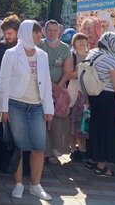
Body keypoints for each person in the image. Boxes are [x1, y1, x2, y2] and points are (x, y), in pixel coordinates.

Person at [0, 20, 53, 201]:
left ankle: (36, 184)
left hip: (37, 105)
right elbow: (3, 82)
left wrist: (49, 108)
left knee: (39, 147)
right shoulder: (11, 53)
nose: (40, 35)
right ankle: (19, 183)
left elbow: (46, 83)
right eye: (36, 32)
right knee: (20, 147)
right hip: (16, 104)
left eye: (39, 32)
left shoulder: (42, 55)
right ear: (27, 33)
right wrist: (3, 108)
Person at [84, 32, 115, 177]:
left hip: (94, 95)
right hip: (108, 98)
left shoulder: (92, 53)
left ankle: (91, 159)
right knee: (106, 131)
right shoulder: (111, 60)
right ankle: (101, 166)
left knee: (95, 128)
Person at [37, 20, 73, 165]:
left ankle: (53, 151)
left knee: (56, 121)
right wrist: (50, 85)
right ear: (45, 31)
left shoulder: (65, 48)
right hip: (41, 87)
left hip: (58, 89)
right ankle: (42, 150)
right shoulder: (40, 45)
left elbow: (68, 70)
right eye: (49, 30)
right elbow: (38, 67)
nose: (52, 33)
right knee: (42, 120)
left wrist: (58, 86)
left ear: (59, 32)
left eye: (54, 30)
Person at [67, 33, 90, 162]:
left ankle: (83, 149)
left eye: (83, 40)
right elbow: (69, 74)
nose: (81, 43)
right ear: (74, 43)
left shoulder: (91, 55)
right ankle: (73, 149)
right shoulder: (72, 56)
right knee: (72, 122)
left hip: (87, 93)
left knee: (84, 122)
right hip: (74, 93)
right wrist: (81, 71)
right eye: (78, 41)